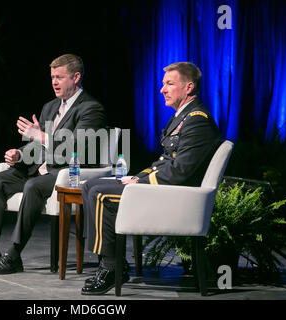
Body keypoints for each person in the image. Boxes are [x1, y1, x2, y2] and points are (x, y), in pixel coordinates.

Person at [80, 62, 223, 295]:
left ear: (188, 87)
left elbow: (180, 171)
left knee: (99, 194)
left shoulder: (197, 119)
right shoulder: (183, 116)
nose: (162, 89)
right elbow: (165, 161)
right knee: (90, 186)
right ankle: (110, 263)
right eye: (163, 83)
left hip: (177, 197)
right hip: (166, 189)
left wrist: (141, 183)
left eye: (169, 84)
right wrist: (137, 177)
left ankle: (110, 267)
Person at [0, 54, 106, 274]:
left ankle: (13, 255)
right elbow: (38, 147)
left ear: (76, 77)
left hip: (66, 173)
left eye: (59, 77)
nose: (54, 82)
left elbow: (77, 148)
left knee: (33, 186)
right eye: (52, 77)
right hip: (38, 169)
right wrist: (20, 155)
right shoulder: (50, 107)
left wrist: (39, 135)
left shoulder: (90, 108)